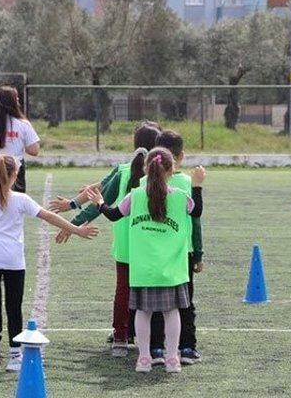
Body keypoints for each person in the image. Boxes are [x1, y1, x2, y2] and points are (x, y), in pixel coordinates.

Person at [0, 154, 99, 372]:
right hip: (14, 260)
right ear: (14, 175)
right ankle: (15, 357)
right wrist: (77, 230)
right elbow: (49, 217)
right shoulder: (20, 199)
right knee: (14, 308)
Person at [85, 147, 204, 374]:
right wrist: (197, 185)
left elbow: (113, 214)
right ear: (172, 170)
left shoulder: (136, 194)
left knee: (142, 312)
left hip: (143, 268)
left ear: (145, 169)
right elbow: (196, 211)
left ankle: (144, 358)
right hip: (171, 269)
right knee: (171, 312)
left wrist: (100, 203)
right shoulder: (180, 196)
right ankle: (172, 359)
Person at [53, 121, 161, 357]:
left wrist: (73, 221)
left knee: (124, 290)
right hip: (154, 245)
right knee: (152, 291)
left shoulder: (123, 171)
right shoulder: (163, 174)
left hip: (126, 245)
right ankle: (155, 340)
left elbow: (98, 201)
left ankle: (121, 337)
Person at [154, 130, 204, 365]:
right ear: (181, 155)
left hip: (151, 254)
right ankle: (186, 348)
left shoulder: (145, 182)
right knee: (184, 302)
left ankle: (155, 348)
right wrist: (198, 253)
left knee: (152, 302)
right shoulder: (186, 183)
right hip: (181, 253)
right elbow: (196, 220)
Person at [0, 86, 40, 192]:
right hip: (15, 170)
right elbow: (34, 150)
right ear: (13, 103)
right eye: (17, 100)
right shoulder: (23, 124)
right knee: (15, 202)